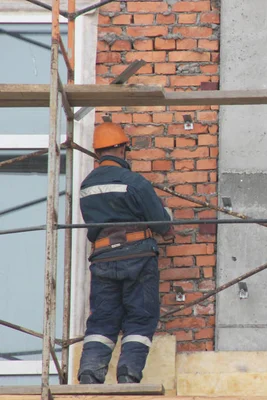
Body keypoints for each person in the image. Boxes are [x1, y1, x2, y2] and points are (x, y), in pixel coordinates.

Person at [77, 122, 174, 384]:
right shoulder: (134, 182)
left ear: (98, 153)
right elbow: (161, 224)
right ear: (121, 149)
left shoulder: (86, 187)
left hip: (103, 259)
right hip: (137, 256)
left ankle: (90, 372)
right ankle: (128, 374)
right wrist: (168, 224)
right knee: (140, 317)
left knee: (103, 319)